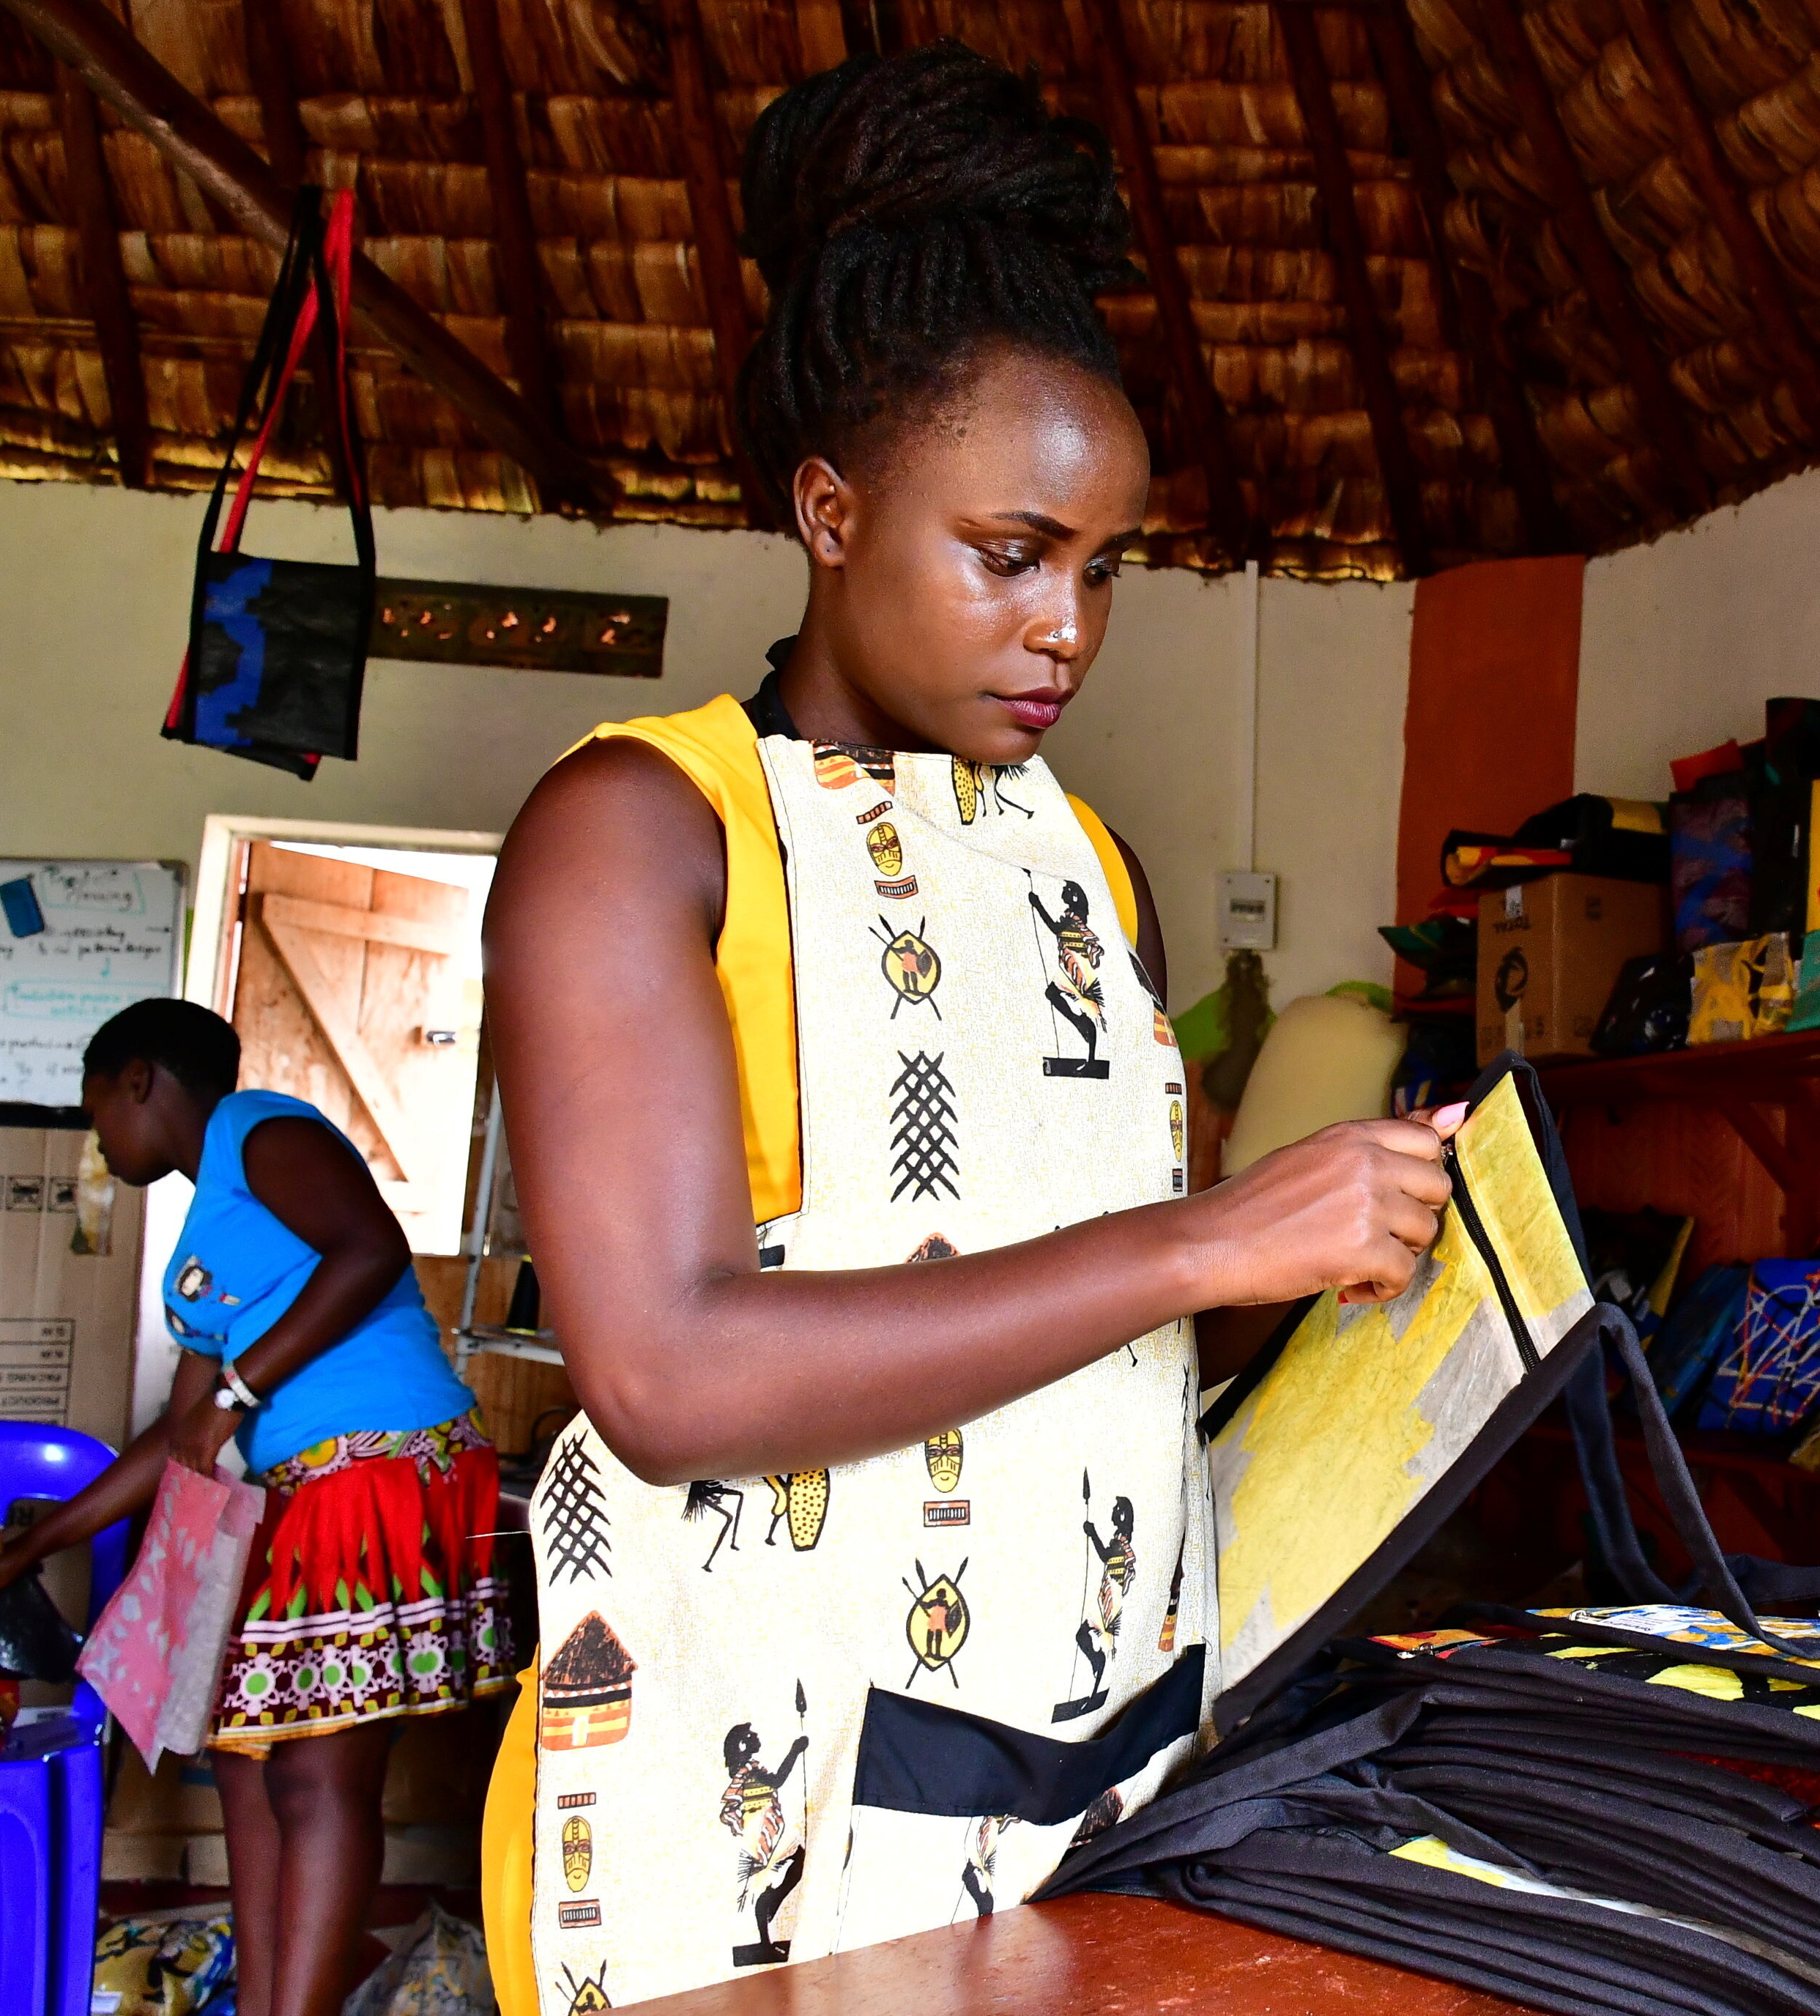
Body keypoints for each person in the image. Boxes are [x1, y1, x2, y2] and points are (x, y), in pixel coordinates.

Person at [476, 44, 1457, 2011]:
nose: (1066, 627)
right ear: (829, 508)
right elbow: (662, 1369)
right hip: (739, 1806)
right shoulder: (643, 832)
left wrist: (1368, 1269)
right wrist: (1213, 1235)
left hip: (1089, 1766)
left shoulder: (1088, 862)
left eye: (1103, 570)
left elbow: (1124, 1329)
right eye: (1008, 555)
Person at [0, 999, 505, 2016]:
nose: (98, 1136)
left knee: (316, 1782)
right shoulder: (204, 1252)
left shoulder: (262, 1130)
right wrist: (38, 1539)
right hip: (301, 1485)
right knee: (242, 1765)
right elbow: (179, 1441)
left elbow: (369, 1251)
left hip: (380, 1462)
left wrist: (240, 1387)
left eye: (98, 1107)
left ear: (138, 1078)